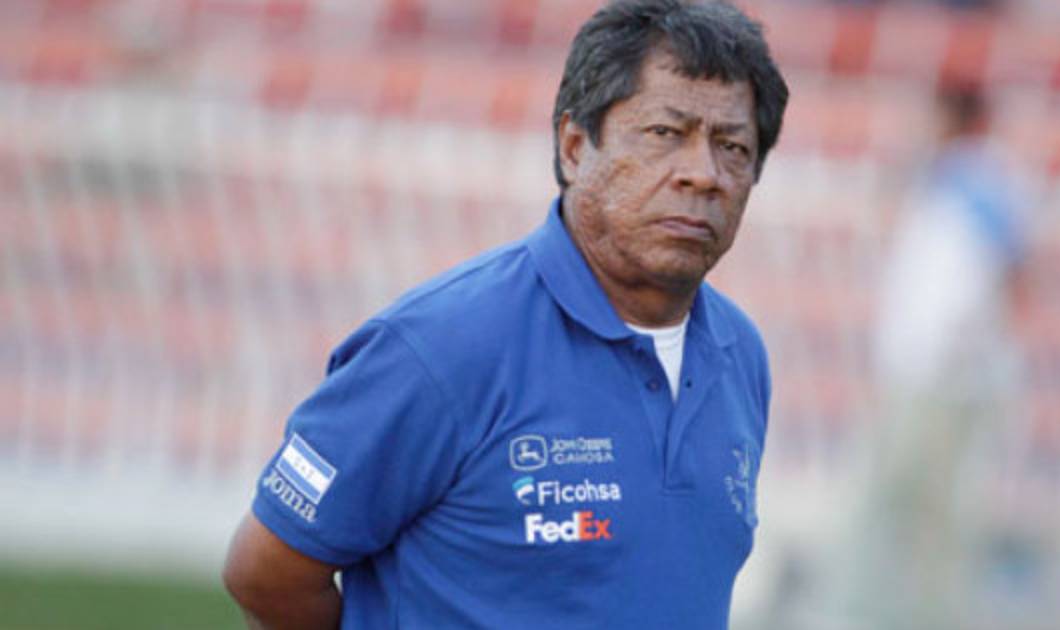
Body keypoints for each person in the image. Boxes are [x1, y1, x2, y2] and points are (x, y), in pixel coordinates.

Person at [221, 1, 789, 628]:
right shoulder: (439, 348)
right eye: (664, 134)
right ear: (574, 146)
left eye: (733, 146)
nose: (703, 174)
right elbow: (268, 574)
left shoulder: (739, 355)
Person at [820, 78, 1028, 630]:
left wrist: (967, 350)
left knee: (925, 505)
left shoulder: (983, 184)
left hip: (945, 375)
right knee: (903, 499)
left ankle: (913, 612)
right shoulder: (943, 181)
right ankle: (882, 609)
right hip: (918, 369)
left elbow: (1003, 274)